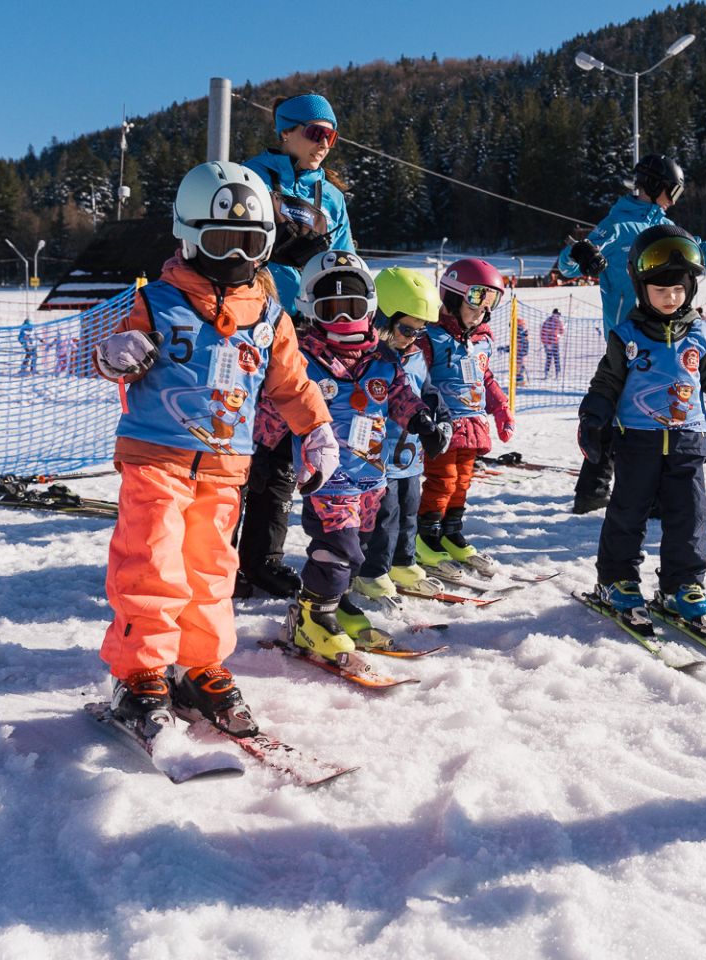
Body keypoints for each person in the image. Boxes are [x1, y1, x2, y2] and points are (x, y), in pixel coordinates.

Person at [92, 160, 337, 740]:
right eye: (222, 242)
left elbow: (292, 383)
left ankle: (198, 664)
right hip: (157, 458)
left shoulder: (269, 315)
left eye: (249, 244)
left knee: (211, 569)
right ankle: (140, 674)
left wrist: (316, 430)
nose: (236, 256)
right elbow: (114, 355)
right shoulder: (157, 301)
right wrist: (117, 355)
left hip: (225, 468)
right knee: (151, 564)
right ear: (190, 235)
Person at [556, 154, 706, 513]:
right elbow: (567, 266)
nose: (675, 199)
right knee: (615, 410)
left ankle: (652, 491)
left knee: (660, 412)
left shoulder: (666, 226)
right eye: (674, 191)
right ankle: (594, 490)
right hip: (628, 338)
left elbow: (699, 256)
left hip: (667, 336)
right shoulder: (616, 227)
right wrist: (578, 251)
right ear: (656, 186)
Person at [284, 254, 444, 659]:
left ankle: (333, 601)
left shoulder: (381, 360)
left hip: (371, 474)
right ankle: (312, 619)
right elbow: (276, 401)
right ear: (311, 309)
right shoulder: (301, 359)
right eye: (330, 309)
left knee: (360, 544)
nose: (342, 319)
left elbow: (401, 395)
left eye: (352, 308)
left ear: (370, 308)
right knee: (338, 547)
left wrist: (422, 421)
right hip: (328, 477)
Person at [578, 225, 706, 624]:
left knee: (690, 516)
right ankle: (616, 580)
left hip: (688, 442)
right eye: (661, 290)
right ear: (641, 287)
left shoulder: (702, 335)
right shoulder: (627, 335)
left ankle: (682, 586)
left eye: (679, 289)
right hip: (637, 443)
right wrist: (593, 418)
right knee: (627, 513)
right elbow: (607, 381)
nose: (671, 297)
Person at [236, 92, 357, 600]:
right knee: (238, 448)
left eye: (331, 135)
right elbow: (236, 241)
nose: (324, 143)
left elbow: (345, 260)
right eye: (315, 132)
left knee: (283, 449)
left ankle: (261, 559)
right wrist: (284, 247)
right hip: (248, 322)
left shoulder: (332, 198)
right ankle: (216, 558)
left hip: (304, 332)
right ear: (285, 131)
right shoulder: (251, 177)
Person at [353, 268, 454, 608]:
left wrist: (442, 419)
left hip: (410, 456)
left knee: (410, 510)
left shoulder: (415, 356)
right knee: (384, 516)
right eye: (406, 329)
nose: (412, 338)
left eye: (419, 331)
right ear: (382, 319)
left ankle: (402, 561)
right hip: (378, 459)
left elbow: (429, 392)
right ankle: (371, 570)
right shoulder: (371, 361)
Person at [415, 258, 515, 577]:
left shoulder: (482, 339)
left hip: (472, 425)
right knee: (442, 481)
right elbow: (416, 378)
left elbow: (486, 378)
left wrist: (500, 408)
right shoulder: (431, 336)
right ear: (453, 295)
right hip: (443, 426)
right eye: (477, 298)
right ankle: (426, 537)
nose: (483, 309)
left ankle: (451, 532)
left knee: (462, 482)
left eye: (491, 301)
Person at [540, 308, 565, 378]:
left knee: (556, 357)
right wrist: (546, 343)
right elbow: (543, 333)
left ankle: (558, 372)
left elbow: (561, 331)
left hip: (555, 342)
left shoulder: (559, 322)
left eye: (558, 315)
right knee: (549, 357)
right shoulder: (548, 321)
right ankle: (547, 373)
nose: (557, 317)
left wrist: (560, 333)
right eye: (556, 315)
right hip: (548, 343)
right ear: (553, 314)